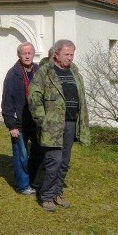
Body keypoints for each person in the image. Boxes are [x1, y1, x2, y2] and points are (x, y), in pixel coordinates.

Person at [29, 39, 90, 212]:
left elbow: (81, 99)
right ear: (56, 54)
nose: (70, 58)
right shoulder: (45, 72)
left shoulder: (75, 73)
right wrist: (42, 120)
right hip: (52, 125)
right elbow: (34, 97)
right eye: (67, 54)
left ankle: (57, 193)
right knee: (53, 160)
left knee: (64, 161)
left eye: (72, 54)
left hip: (71, 122)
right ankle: (47, 196)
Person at [1, 42, 44, 195]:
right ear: (19, 55)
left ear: (33, 54)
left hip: (36, 121)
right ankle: (23, 185)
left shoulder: (39, 71)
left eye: (29, 53)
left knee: (39, 151)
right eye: (24, 53)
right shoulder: (13, 74)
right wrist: (11, 125)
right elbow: (7, 102)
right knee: (21, 155)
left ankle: (30, 180)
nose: (27, 55)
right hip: (19, 123)